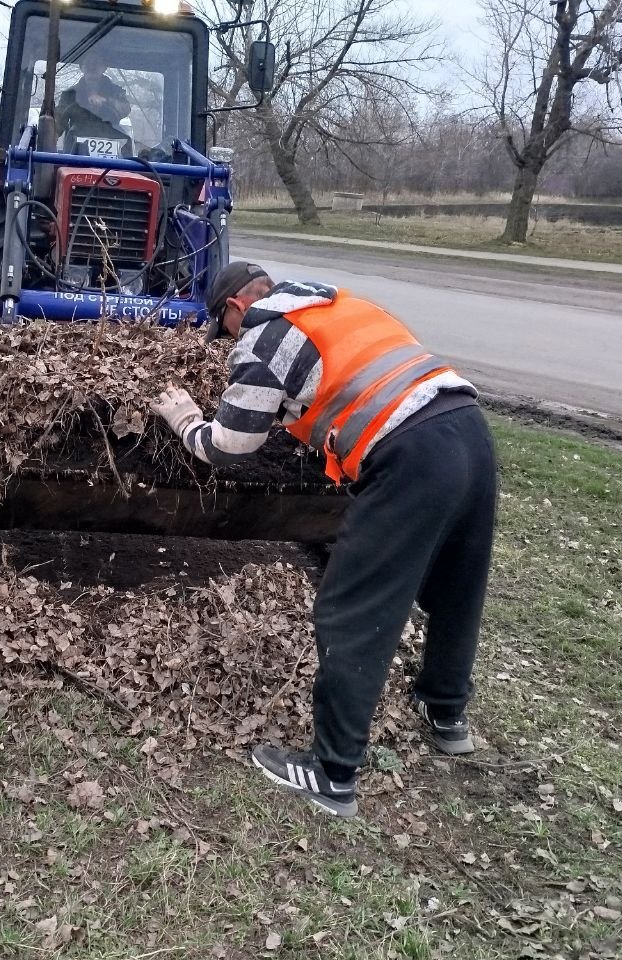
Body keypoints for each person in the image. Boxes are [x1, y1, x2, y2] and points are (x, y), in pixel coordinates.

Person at [150, 262, 497, 818]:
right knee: (456, 585)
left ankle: (332, 774)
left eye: (225, 329)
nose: (229, 341)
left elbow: (231, 445)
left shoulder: (263, 333)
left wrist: (185, 418)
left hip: (409, 456)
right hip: (468, 428)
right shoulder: (337, 303)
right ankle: (445, 713)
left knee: (353, 609)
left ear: (237, 307)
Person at [57, 51, 132, 151]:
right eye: (88, 63)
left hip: (115, 143)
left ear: (104, 67)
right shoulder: (69, 95)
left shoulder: (116, 92)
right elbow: (57, 125)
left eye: (96, 63)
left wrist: (106, 100)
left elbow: (125, 109)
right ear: (82, 67)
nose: (91, 67)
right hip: (74, 152)